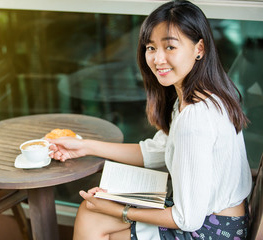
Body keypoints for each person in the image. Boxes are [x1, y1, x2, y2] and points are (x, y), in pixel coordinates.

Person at [47, 0, 252, 239]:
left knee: (95, 215)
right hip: (224, 219)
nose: (158, 59)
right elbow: (154, 152)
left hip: (213, 229)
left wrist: (120, 209)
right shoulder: (196, 97)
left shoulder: (195, 118)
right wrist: (85, 147)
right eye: (151, 48)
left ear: (200, 48)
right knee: (93, 212)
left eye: (170, 47)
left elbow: (187, 219)